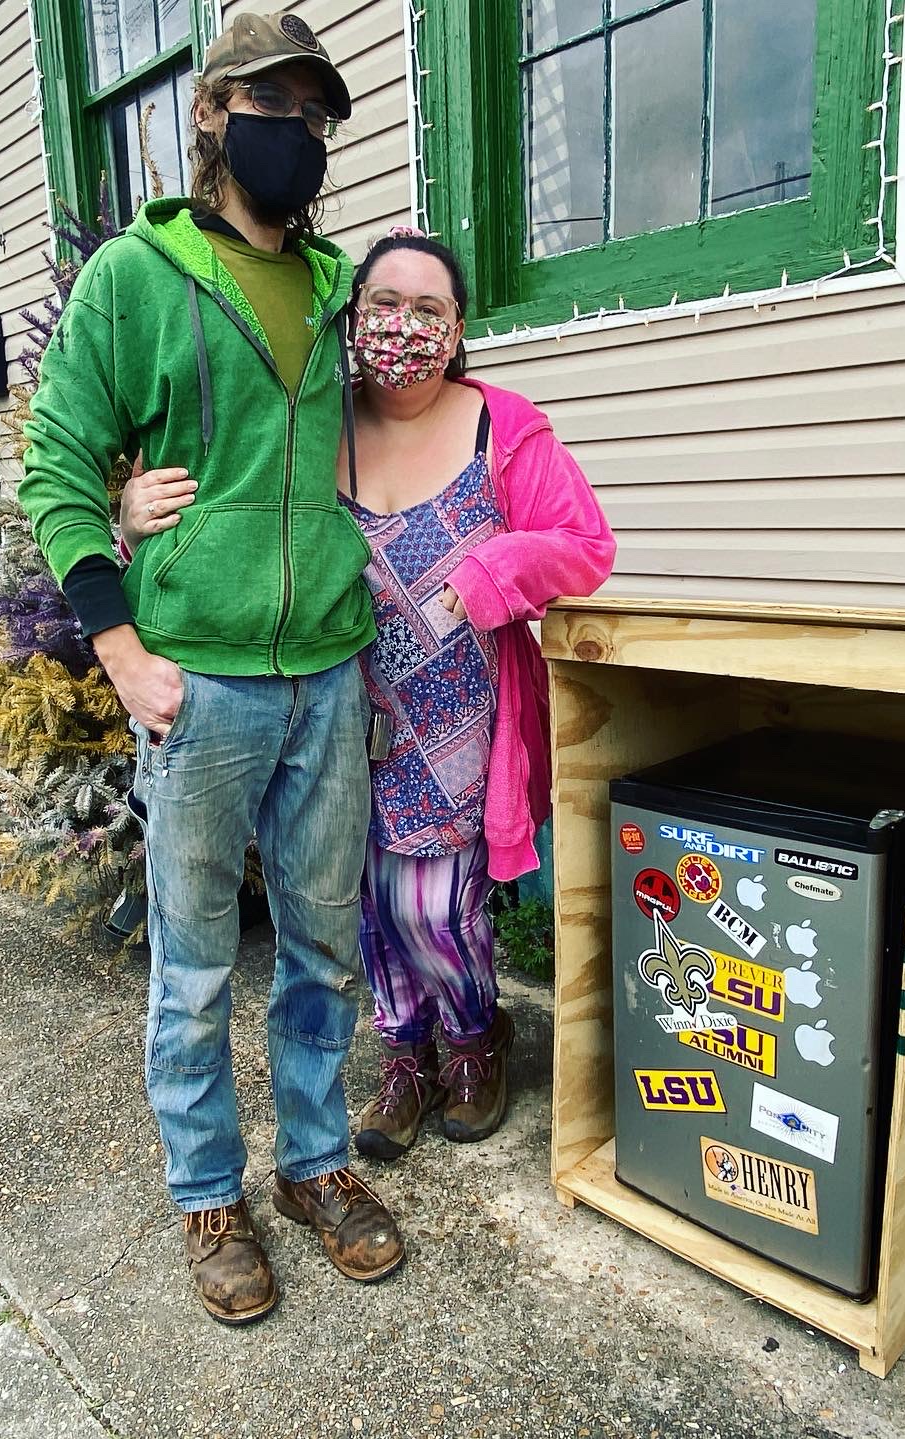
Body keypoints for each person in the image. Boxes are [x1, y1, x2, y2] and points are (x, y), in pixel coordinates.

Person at [19, 12, 404, 1328]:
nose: (296, 133)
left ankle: (313, 1164)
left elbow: (419, 410)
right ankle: (206, 1189)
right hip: (203, 681)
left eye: (317, 114)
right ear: (213, 113)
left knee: (323, 950)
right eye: (274, 105)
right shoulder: (136, 276)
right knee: (190, 967)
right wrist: (121, 644)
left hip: (331, 672)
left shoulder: (347, 285)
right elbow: (58, 462)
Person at [123, 229, 614, 1162]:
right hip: (336, 711)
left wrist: (492, 567)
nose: (404, 328)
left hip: (463, 716)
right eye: (384, 306)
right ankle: (403, 1057)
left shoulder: (502, 423)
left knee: (438, 900)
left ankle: (474, 1038)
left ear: (458, 326)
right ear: (353, 322)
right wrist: (129, 508)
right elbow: (227, 504)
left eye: (428, 310)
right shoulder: (320, 423)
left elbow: (584, 544)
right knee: (357, 905)